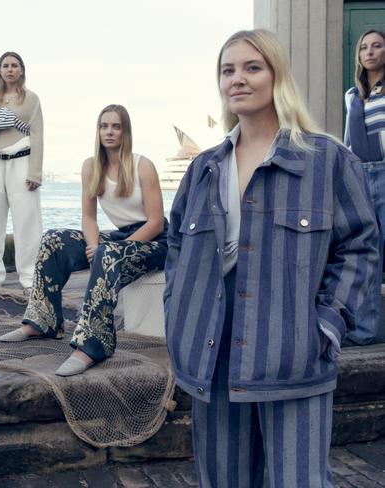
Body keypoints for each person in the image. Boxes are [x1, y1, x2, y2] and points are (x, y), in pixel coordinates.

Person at [164, 29, 378, 487]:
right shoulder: (204, 169)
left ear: (277, 75)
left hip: (294, 354)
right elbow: (177, 251)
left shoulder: (327, 161)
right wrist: (177, 315)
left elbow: (359, 246)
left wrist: (328, 323)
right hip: (213, 353)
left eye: (251, 67)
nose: (237, 79)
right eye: (227, 70)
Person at [0, 104, 167, 376]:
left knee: (109, 253)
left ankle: (92, 345)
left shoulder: (142, 165)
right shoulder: (91, 167)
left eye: (116, 126)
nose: (109, 132)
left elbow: (155, 221)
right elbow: (89, 218)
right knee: (55, 239)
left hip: (155, 241)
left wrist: (111, 249)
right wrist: (93, 246)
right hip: (119, 236)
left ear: (126, 132)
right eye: (104, 126)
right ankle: (43, 321)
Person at [0, 51, 43, 289]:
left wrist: (35, 172)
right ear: (0, 70)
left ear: (21, 70)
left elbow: (37, 134)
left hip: (21, 160)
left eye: (14, 65)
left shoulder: (31, 99)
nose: (10, 69)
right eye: (5, 65)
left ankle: (30, 276)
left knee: (27, 221)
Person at [344, 29, 385, 345]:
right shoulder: (352, 96)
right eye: (364, 47)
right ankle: (365, 332)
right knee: (367, 253)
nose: (370, 52)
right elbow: (347, 142)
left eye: (377, 46)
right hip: (360, 176)